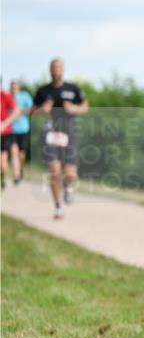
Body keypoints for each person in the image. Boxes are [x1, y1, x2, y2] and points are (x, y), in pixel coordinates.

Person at [30, 58, 89, 220]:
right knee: (54, 171)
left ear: (63, 69)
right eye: (54, 67)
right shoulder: (43, 91)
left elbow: (85, 107)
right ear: (50, 70)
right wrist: (43, 109)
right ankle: (58, 206)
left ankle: (68, 185)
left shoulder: (73, 89)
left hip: (69, 132)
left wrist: (74, 108)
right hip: (50, 133)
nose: (56, 70)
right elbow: (33, 113)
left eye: (59, 67)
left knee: (71, 174)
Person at [0, 80, 21, 190]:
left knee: (3, 164)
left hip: (4, 133)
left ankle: (3, 179)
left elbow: (17, 111)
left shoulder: (5, 96)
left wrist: (5, 123)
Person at [11, 80, 33, 183]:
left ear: (19, 88)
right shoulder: (8, 97)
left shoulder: (25, 96)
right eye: (12, 87)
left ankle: (20, 168)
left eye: (16, 87)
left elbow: (31, 109)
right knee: (14, 152)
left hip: (23, 129)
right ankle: (17, 175)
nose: (14, 89)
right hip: (11, 130)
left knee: (21, 154)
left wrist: (21, 111)